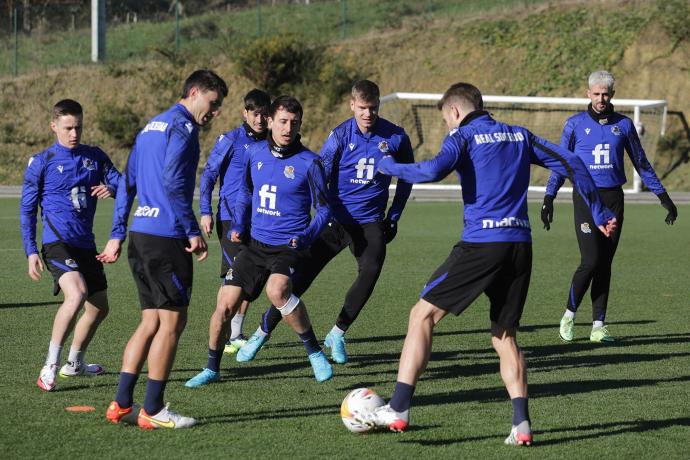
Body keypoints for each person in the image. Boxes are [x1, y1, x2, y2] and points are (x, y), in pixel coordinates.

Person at [358, 82, 617, 445]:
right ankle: (521, 425)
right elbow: (572, 161)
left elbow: (433, 171)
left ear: (454, 112)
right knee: (505, 336)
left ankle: (399, 407)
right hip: (520, 247)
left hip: (482, 244)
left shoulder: (462, 136)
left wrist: (390, 166)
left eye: (448, 120)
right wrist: (601, 209)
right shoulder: (518, 135)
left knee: (422, 315)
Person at [235, 79, 414, 365]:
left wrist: (393, 216)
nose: (368, 114)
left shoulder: (395, 137)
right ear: (352, 105)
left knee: (371, 270)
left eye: (373, 108)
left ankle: (338, 333)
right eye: (363, 108)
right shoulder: (340, 136)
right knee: (297, 280)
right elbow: (319, 173)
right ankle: (261, 331)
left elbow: (406, 177)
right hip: (335, 220)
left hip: (369, 222)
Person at [99, 69, 227, 429]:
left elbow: (127, 184)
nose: (213, 112)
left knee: (151, 321)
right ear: (195, 92)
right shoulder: (184, 130)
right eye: (213, 103)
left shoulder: (150, 126)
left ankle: (121, 403)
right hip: (166, 237)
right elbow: (173, 182)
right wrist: (191, 230)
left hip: (141, 236)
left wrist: (117, 233)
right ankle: (152, 410)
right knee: (173, 321)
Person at [184, 95, 333, 388]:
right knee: (224, 306)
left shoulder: (310, 162)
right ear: (270, 122)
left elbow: (325, 209)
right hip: (255, 244)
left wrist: (305, 236)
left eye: (294, 122)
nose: (288, 128)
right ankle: (211, 368)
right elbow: (246, 193)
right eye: (282, 121)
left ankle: (314, 352)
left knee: (277, 291)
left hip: (288, 247)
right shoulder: (253, 153)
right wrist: (239, 223)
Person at [541, 70, 678, 343]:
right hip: (585, 198)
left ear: (612, 94)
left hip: (614, 199)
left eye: (605, 94)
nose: (601, 98)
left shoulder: (624, 126)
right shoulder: (574, 125)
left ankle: (598, 325)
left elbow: (641, 163)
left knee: (604, 263)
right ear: (588, 94)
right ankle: (569, 315)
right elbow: (561, 163)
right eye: (596, 94)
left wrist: (663, 196)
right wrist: (549, 197)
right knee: (590, 260)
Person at [20, 99, 121, 392]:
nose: (74, 133)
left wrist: (112, 188)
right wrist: (29, 250)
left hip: (86, 245)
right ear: (54, 126)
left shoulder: (95, 157)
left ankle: (74, 363)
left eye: (78, 127)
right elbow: (27, 210)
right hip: (57, 242)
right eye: (67, 128)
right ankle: (49, 364)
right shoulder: (43, 161)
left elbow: (124, 184)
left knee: (99, 308)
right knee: (76, 295)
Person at [199, 89, 271, 355]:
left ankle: (235, 333)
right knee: (234, 276)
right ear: (245, 113)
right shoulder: (231, 140)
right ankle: (224, 336)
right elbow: (208, 175)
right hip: (230, 218)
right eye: (255, 114)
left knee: (252, 276)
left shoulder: (272, 144)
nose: (260, 120)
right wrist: (205, 211)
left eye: (265, 114)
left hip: (261, 219)